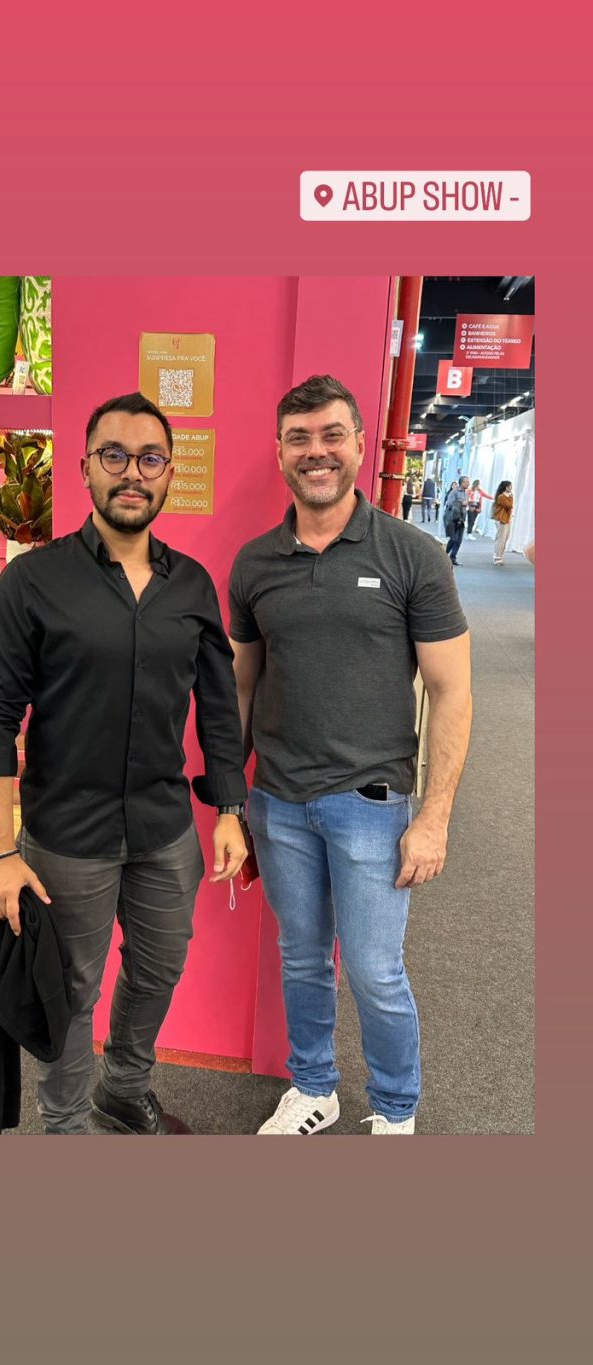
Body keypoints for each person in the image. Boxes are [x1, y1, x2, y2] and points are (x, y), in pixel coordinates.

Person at [0, 392, 248, 1136]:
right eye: (114, 455)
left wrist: (230, 811)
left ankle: (124, 1085)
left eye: (150, 458)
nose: (132, 473)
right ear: (85, 468)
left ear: (169, 473)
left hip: (163, 829)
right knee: (71, 991)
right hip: (67, 835)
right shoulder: (33, 582)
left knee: (159, 969)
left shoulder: (191, 585)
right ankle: (65, 1128)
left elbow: (218, 706)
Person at [229, 375, 471, 1136]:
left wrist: (434, 816)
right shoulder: (255, 564)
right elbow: (240, 687)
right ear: (279, 452)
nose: (317, 452)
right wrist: (232, 803)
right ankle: (315, 1088)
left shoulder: (412, 555)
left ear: (360, 446)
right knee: (303, 957)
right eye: (299, 438)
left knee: (373, 971)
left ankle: (396, 1108)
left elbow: (452, 692)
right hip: (278, 802)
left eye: (332, 435)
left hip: (371, 804)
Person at [443, 475, 470, 565]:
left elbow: (466, 504)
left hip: (461, 518)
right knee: (453, 539)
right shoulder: (454, 492)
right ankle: (443, 555)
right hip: (453, 518)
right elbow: (449, 503)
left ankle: (453, 557)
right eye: (466, 482)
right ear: (462, 483)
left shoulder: (466, 493)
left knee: (459, 540)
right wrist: (461, 503)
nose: (468, 484)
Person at [491, 480, 514, 564]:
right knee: (501, 539)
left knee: (505, 538)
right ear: (506, 487)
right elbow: (509, 505)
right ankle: (497, 557)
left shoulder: (508, 496)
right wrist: (511, 497)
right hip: (502, 520)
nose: (511, 488)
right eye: (510, 486)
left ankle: (499, 556)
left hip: (507, 519)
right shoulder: (502, 496)